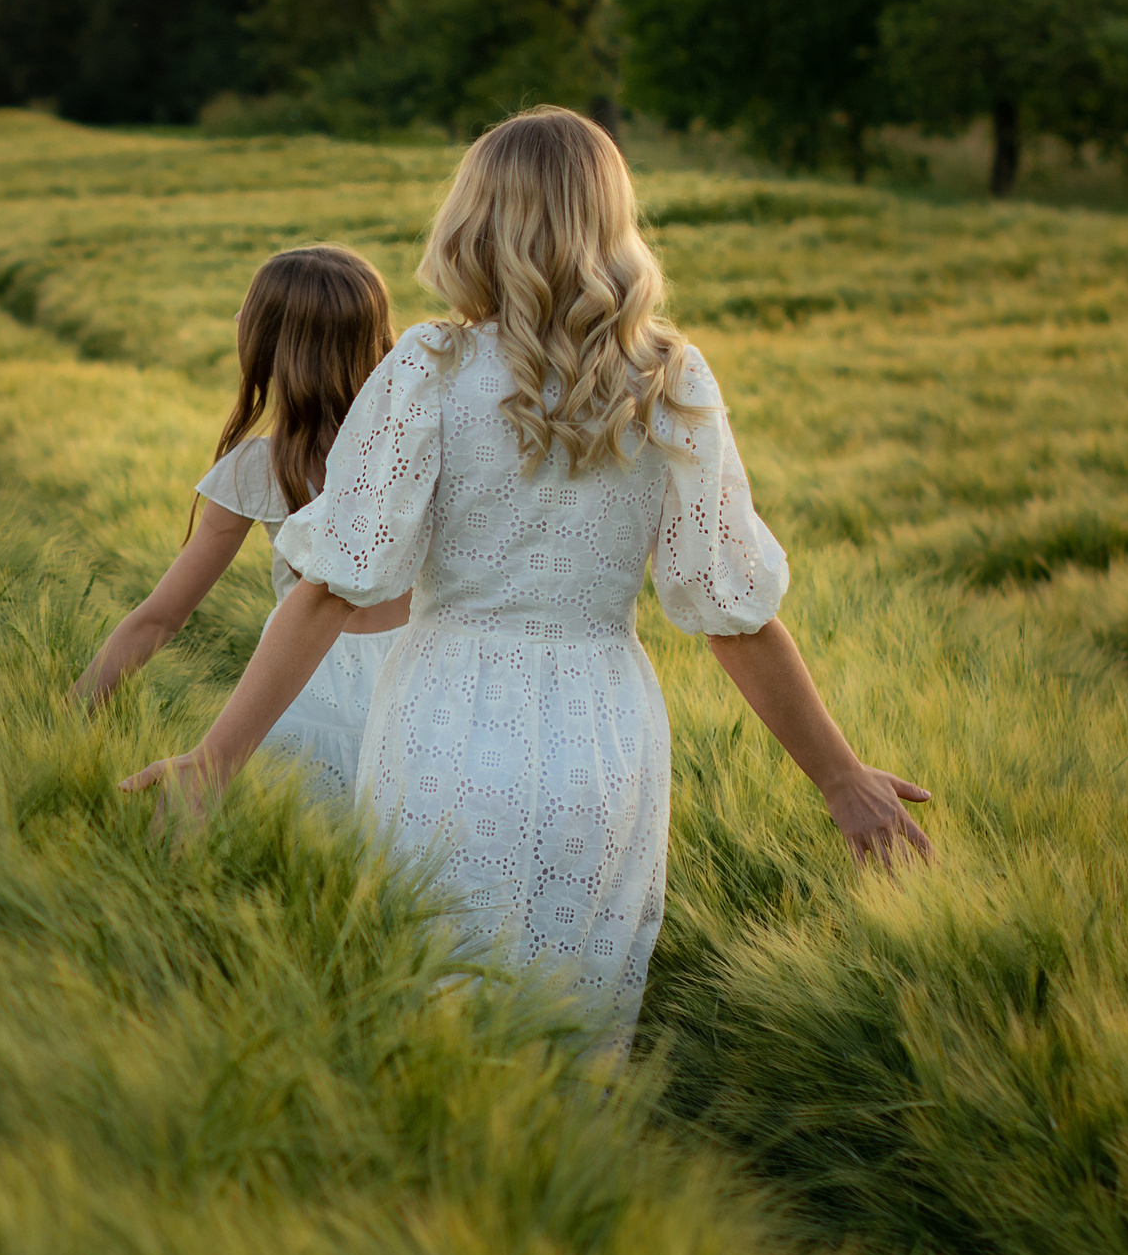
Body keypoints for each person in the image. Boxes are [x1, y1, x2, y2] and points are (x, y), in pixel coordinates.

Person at [122, 107, 930, 1045]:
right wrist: (839, 777)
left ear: (473, 223)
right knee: (577, 1026)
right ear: (613, 228)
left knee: (428, 1012)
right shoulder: (673, 379)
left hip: (439, 722)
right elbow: (733, 616)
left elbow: (330, 590)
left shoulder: (427, 366)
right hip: (604, 737)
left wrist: (213, 760)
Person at [74, 245, 412, 806]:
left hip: (301, 685)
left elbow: (159, 618)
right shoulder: (421, 449)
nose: (236, 320)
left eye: (248, 312)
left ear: (274, 345)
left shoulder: (258, 468)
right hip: (423, 679)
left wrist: (65, 714)